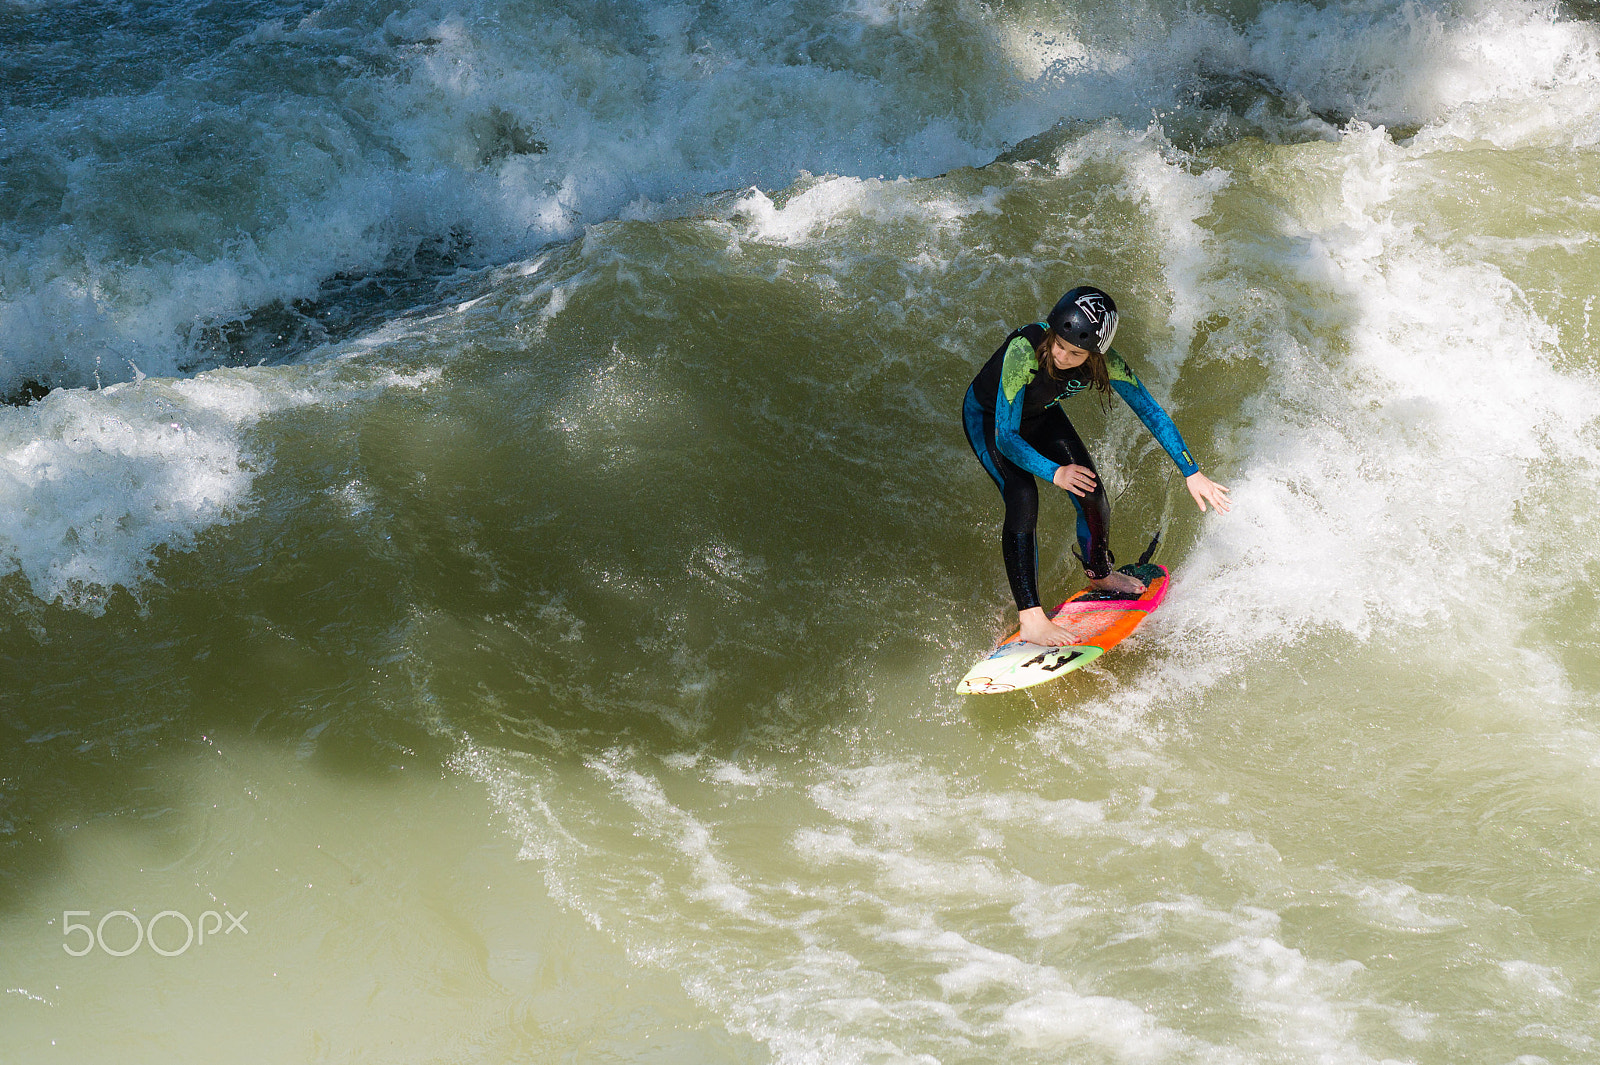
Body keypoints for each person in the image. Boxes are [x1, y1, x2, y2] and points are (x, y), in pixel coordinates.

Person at [962, 286, 1231, 646]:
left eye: (1074, 352)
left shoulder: (1107, 364)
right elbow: (1007, 438)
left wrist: (1191, 472)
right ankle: (1031, 617)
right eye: (1058, 343)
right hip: (990, 418)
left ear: (1094, 353)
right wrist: (1055, 472)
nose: (1059, 355)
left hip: (1039, 413)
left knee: (1091, 492)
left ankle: (1100, 574)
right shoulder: (1023, 352)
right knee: (1023, 495)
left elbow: (1150, 411)